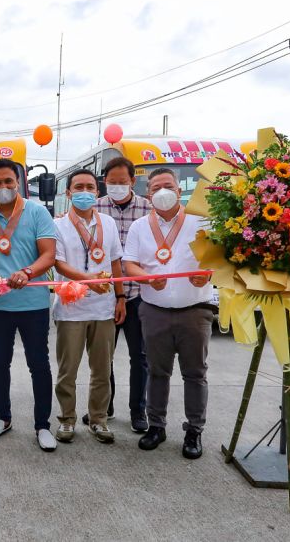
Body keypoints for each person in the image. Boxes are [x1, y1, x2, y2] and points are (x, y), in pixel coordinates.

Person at [0, 159, 58, 452]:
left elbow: (49, 255)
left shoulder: (37, 212)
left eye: (8, 181)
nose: (3, 187)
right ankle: (2, 417)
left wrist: (28, 272)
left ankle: (42, 425)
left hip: (33, 304)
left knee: (38, 364)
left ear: (18, 182)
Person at [122, 167, 213, 459]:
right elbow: (130, 264)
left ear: (179, 190)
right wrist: (145, 278)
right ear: (148, 194)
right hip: (154, 310)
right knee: (158, 372)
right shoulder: (139, 227)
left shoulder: (202, 222)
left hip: (194, 310)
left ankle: (193, 431)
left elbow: (219, 261)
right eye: (156, 187)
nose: (162, 191)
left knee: (195, 374)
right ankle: (156, 426)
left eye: (168, 186)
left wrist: (208, 274)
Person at [52, 169, 125, 444]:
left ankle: (99, 419)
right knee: (67, 370)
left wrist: (120, 297)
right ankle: (67, 420)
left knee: (102, 370)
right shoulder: (57, 225)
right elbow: (58, 263)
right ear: (69, 193)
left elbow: (115, 261)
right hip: (71, 308)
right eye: (78, 187)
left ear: (98, 191)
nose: (85, 192)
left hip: (104, 308)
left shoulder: (108, 222)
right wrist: (88, 280)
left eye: (90, 187)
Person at [95, 156, 152, 433]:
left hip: (138, 294)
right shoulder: (95, 208)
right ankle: (104, 406)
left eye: (123, 182)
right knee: (103, 356)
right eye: (112, 182)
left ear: (133, 181)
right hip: (104, 294)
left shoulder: (148, 209)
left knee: (139, 356)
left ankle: (138, 411)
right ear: (105, 182)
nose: (117, 186)